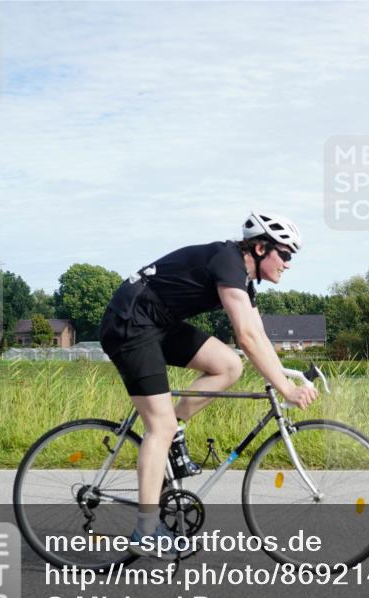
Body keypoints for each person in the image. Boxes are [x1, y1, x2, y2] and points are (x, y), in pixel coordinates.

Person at [99, 212, 318, 558]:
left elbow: (257, 333)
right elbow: (245, 336)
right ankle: (145, 530)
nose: (288, 264)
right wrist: (285, 390)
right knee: (160, 425)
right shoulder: (228, 262)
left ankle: (175, 429)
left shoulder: (242, 279)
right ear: (261, 248)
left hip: (158, 321)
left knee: (229, 365)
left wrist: (284, 374)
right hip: (130, 322)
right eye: (285, 254)